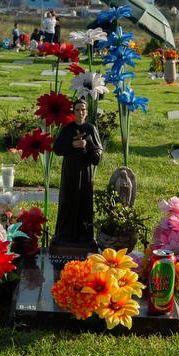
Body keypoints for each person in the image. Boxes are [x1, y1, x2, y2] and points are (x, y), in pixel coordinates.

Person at [51, 97, 105, 250]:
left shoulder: (91, 128)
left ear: (86, 112)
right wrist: (72, 145)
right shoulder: (67, 129)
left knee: (84, 201)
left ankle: (84, 235)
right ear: (73, 112)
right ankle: (65, 234)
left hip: (85, 171)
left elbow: (98, 149)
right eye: (77, 110)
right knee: (68, 200)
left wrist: (91, 149)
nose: (80, 112)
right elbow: (57, 148)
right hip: (70, 171)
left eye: (83, 110)